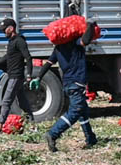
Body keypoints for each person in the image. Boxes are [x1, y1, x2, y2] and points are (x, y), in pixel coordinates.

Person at [31, 21, 98, 152]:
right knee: (75, 111)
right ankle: (53, 134)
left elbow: (48, 64)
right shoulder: (75, 44)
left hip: (68, 84)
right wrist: (90, 25)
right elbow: (86, 40)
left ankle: (91, 138)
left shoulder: (58, 49)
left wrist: (38, 77)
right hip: (76, 83)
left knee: (83, 111)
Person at [0, 18, 34, 135]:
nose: (3, 32)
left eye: (4, 30)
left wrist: (29, 75)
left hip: (16, 77)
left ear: (11, 28)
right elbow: (7, 58)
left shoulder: (19, 41)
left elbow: (28, 57)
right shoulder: (11, 42)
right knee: (23, 103)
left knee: (6, 101)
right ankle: (33, 126)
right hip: (14, 76)